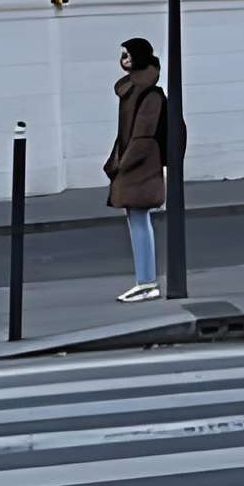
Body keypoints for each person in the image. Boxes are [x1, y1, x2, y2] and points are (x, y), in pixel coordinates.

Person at [104, 39, 168, 302]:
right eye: (123, 55)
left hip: (141, 165)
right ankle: (145, 281)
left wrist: (122, 163)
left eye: (128, 55)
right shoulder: (132, 89)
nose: (124, 59)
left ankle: (147, 283)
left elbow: (142, 136)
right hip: (134, 162)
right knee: (137, 219)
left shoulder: (149, 93)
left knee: (140, 219)